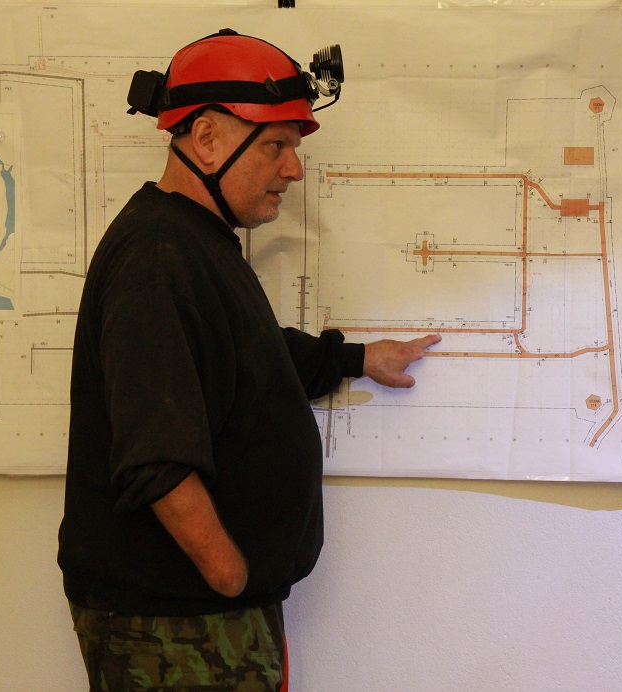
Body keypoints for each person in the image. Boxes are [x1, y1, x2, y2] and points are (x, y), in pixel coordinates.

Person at [58, 28, 440, 691]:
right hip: (177, 623)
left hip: (202, 615)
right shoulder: (158, 257)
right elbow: (155, 459)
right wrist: (229, 575)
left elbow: (249, 356)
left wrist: (355, 358)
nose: (293, 169)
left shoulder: (194, 241)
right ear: (206, 139)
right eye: (275, 146)